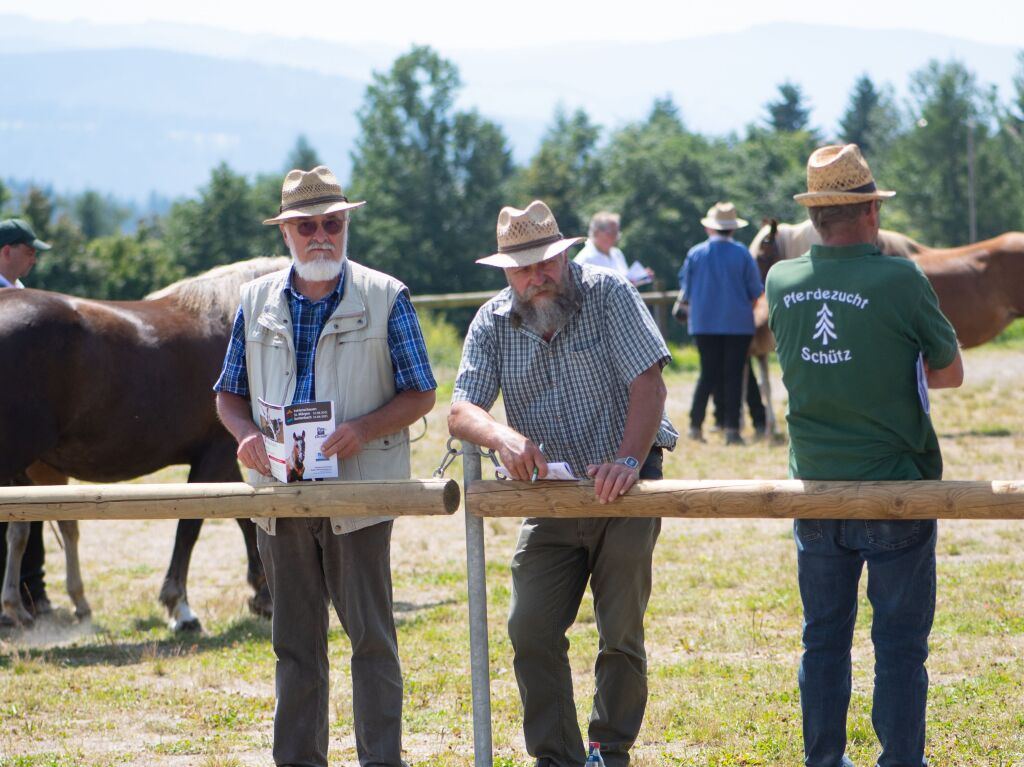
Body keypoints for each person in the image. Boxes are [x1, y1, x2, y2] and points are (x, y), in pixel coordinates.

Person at [214, 166, 436, 767]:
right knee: (293, 646)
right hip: (281, 498)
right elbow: (227, 395)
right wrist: (245, 437)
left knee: (371, 642)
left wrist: (363, 429)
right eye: (306, 226)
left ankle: (381, 761)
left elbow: (422, 393)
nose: (321, 236)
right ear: (285, 232)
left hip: (360, 497)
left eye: (332, 224)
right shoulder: (254, 299)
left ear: (346, 225)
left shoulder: (387, 296)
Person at [448, 200, 677, 767]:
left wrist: (626, 459)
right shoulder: (492, 320)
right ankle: (557, 758)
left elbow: (650, 385)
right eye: (522, 268)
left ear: (566, 253)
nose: (537, 277)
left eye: (546, 262)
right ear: (506, 271)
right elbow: (460, 411)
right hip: (549, 495)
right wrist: (500, 436)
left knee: (620, 630)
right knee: (530, 628)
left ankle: (609, 747)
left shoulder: (609, 294)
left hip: (625, 485)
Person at [766, 144, 964, 767]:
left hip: (816, 491)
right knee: (900, 644)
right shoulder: (901, 277)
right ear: (872, 211)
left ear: (816, 217)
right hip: (895, 488)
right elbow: (950, 371)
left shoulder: (780, 280)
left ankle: (823, 761)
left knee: (822, 640)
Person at [0, 218, 52, 620]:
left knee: (30, 506)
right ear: (6, 252)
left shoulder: (22, 297)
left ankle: (32, 591)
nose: (35, 257)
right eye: (29, 250)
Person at [678, 202, 762, 445]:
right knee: (734, 375)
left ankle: (695, 426)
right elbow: (755, 291)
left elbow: (686, 290)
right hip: (738, 325)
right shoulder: (743, 253)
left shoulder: (695, 254)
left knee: (707, 375)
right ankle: (732, 431)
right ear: (733, 229)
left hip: (703, 324)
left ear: (710, 228)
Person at [574, 210, 654, 286]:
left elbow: (625, 283)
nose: (616, 237)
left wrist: (641, 278)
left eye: (617, 233)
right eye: (612, 233)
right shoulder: (584, 259)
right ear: (597, 232)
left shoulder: (617, 253)